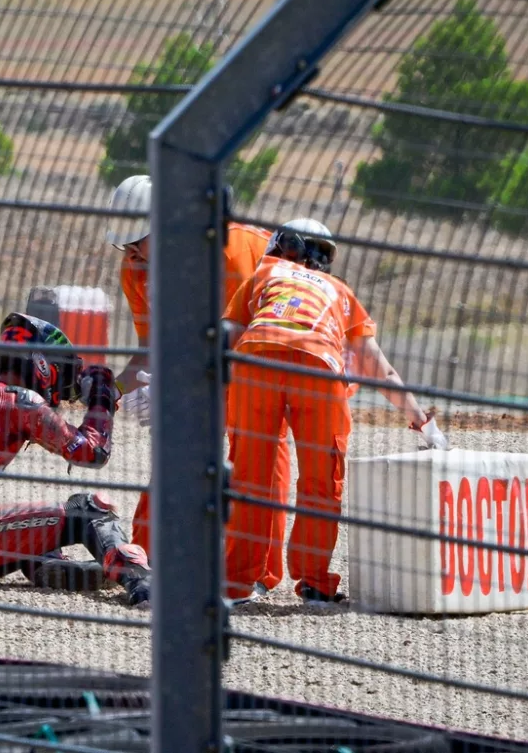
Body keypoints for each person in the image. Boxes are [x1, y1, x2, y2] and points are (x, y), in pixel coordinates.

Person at [222, 218, 450, 606]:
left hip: (255, 360)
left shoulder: (264, 273)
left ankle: (235, 586)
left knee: (249, 477)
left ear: (281, 245)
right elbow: (380, 369)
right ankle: (314, 584)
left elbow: (224, 338)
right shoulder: (341, 292)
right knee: (321, 481)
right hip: (319, 367)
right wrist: (423, 422)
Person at [103, 174, 292, 596]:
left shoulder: (235, 251)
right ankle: (147, 560)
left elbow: (250, 340)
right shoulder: (136, 269)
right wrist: (113, 391)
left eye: (140, 240)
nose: (132, 252)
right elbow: (150, 347)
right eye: (126, 244)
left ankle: (258, 572)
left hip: (261, 357)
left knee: (259, 451)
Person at [0, 312, 151, 608]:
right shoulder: (18, 399)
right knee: (90, 509)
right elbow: (93, 451)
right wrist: (103, 391)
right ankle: (142, 583)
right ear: (43, 366)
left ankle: (48, 563)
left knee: (33, 529)